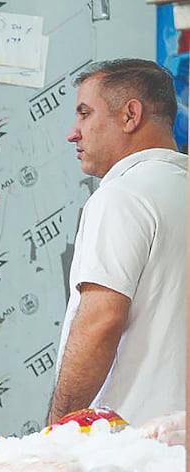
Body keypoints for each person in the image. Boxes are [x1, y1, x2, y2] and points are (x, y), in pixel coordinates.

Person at [49, 59, 188, 425]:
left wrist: (58, 431)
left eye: (84, 114)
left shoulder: (122, 196)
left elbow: (100, 323)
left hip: (134, 442)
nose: (74, 133)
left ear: (130, 115)